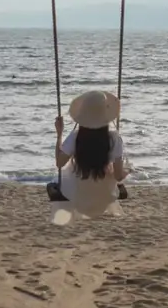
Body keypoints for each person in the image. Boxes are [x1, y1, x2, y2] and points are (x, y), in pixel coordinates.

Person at [48, 88, 130, 217]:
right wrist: (127, 171)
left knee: (63, 177)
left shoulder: (76, 137)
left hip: (78, 197)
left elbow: (59, 163)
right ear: (105, 113)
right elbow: (119, 176)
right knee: (116, 173)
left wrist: (59, 134)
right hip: (105, 197)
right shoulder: (114, 138)